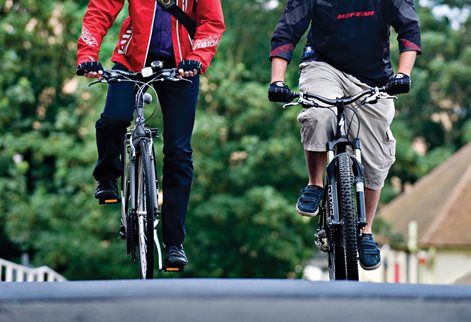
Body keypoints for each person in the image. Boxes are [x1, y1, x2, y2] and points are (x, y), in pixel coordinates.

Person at [268, 0, 421, 270]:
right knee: (319, 113)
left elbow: (409, 28)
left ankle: (366, 232)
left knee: (376, 155)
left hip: (373, 77)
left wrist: (403, 74)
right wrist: (277, 80)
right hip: (323, 66)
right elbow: (287, 30)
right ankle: (315, 184)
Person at [76, 0, 225, 269]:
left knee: (179, 153)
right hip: (131, 59)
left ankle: (174, 244)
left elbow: (211, 23)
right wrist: (88, 55)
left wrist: (198, 58)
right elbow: (100, 10)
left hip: (183, 66)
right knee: (113, 120)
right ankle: (108, 177)